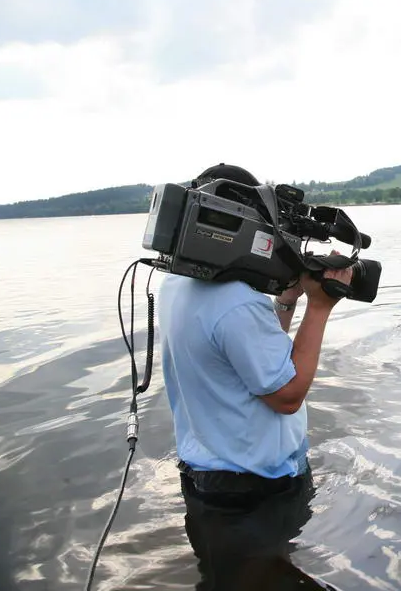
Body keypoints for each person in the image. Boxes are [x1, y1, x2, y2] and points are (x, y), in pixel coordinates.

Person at [156, 163, 350, 590]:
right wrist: (320, 307)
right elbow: (286, 395)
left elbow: (247, 361)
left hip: (210, 477)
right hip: (253, 489)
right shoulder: (237, 303)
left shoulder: (175, 285)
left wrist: (285, 303)